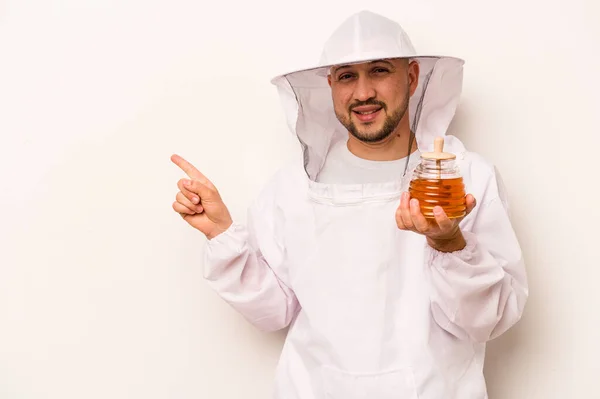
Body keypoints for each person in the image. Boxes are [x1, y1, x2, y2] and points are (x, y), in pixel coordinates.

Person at [171, 10, 528, 399]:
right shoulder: (292, 188)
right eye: (346, 76)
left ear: (411, 78)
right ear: (330, 86)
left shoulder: (466, 180)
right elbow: (273, 311)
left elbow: (488, 320)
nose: (362, 93)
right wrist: (220, 232)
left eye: (378, 70)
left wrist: (450, 244)